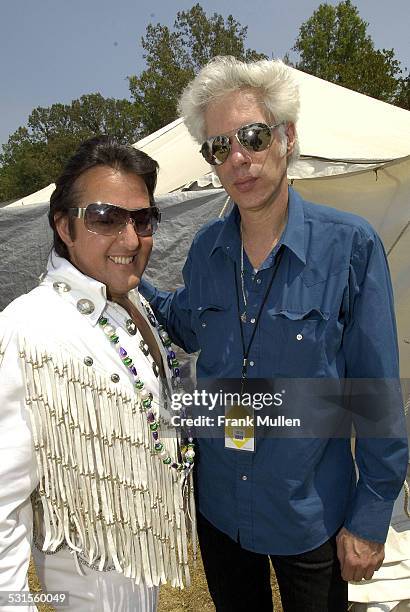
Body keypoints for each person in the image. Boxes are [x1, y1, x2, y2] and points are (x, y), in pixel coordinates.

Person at [137, 57, 409, 611]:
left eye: (253, 137)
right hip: (219, 510)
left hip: (308, 514)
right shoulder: (206, 252)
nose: (237, 158)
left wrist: (371, 514)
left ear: (286, 138)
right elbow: (187, 320)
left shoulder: (349, 248)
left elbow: (376, 393)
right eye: (218, 147)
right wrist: (123, 272)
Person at [0, 136, 195, 612]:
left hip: (141, 583)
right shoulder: (26, 330)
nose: (130, 239)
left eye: (143, 219)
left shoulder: (136, 306)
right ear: (64, 226)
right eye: (105, 218)